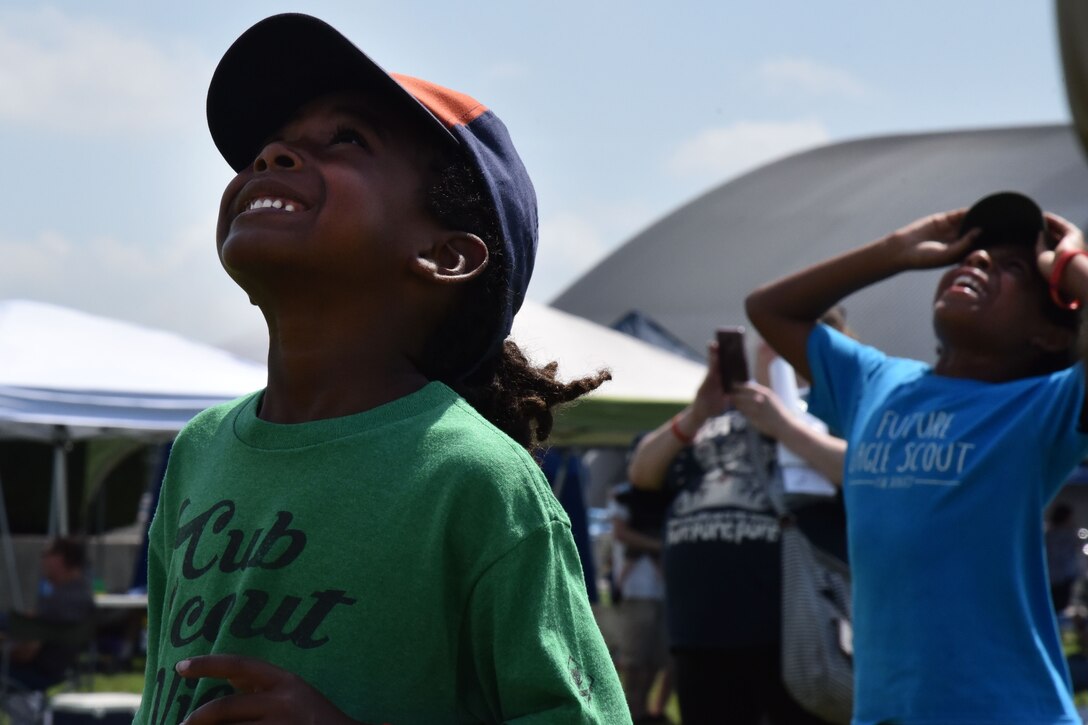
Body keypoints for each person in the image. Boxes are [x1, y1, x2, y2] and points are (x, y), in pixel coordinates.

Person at [133, 13, 628, 725]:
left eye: (345, 139)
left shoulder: (476, 478)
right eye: (274, 143)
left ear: (445, 255)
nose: (273, 154)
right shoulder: (199, 448)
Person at [746, 191, 1088, 724]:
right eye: (973, 254)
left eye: (1013, 268)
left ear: (1048, 333)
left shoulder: (1046, 407)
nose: (976, 260)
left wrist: (1067, 265)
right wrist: (896, 250)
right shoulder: (875, 381)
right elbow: (768, 308)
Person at [627, 334, 846, 725]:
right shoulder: (710, 424)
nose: (769, 344)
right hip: (700, 638)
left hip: (788, 638)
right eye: (764, 335)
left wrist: (782, 425)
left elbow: (859, 472)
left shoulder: (826, 418)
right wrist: (697, 413)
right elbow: (642, 473)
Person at [607, 478, 672, 723]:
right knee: (635, 663)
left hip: (661, 591)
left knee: (656, 660)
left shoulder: (668, 493)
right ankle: (630, 713)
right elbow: (621, 533)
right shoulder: (624, 494)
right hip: (635, 592)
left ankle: (643, 713)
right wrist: (658, 545)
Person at [3, 537, 95, 691]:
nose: (42, 560)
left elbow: (27, 651)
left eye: (46, 555)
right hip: (56, 670)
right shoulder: (79, 595)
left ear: (60, 559)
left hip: (35, 673)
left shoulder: (60, 601)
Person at [1047, 502, 1084, 612]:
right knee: (1059, 605)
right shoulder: (1068, 536)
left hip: (1054, 576)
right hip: (1062, 576)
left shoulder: (1048, 535)